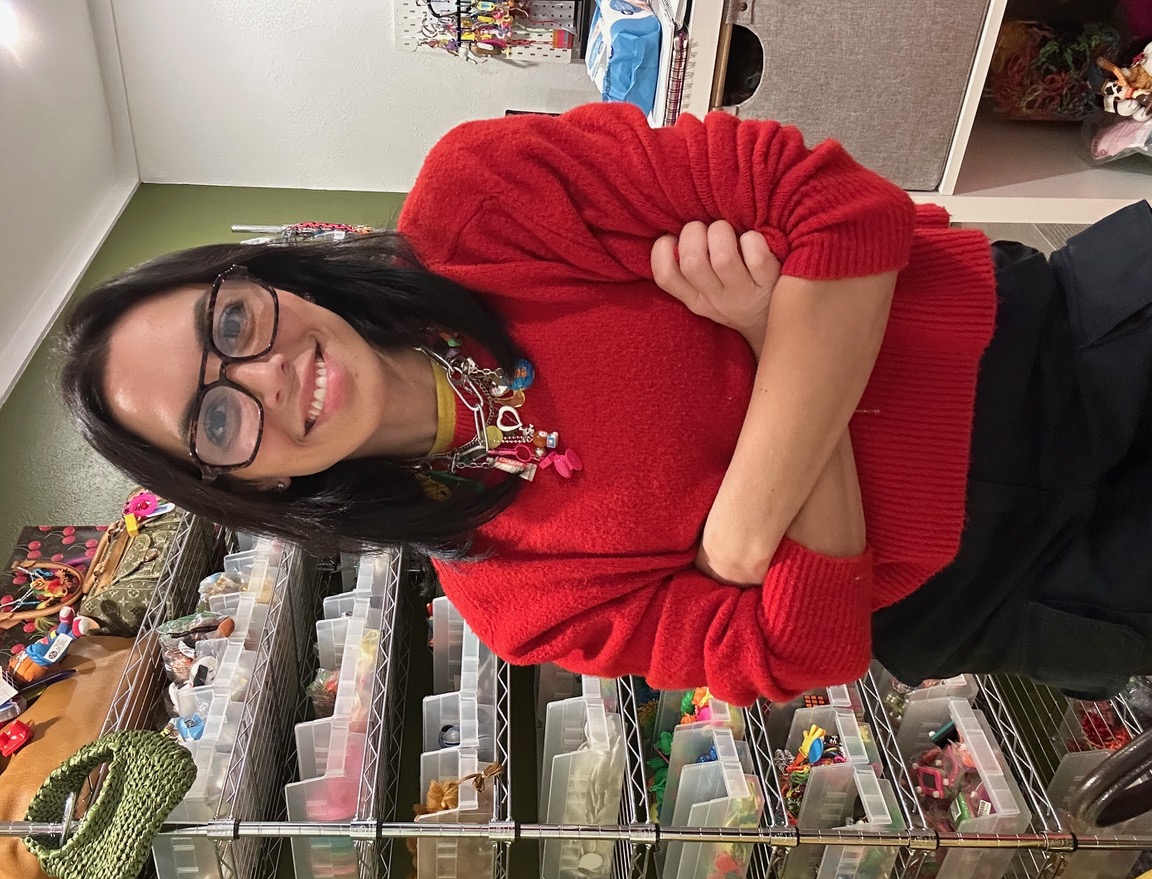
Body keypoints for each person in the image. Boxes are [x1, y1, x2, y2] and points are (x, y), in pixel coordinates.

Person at [61, 102, 1152, 705]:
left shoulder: (482, 197)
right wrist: (769, 331)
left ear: (264, 277)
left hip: (1063, 340)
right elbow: (805, 652)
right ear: (246, 484)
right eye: (215, 419)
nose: (262, 374)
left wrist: (746, 531)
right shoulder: (513, 598)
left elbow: (840, 207)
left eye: (229, 325)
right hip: (1036, 586)